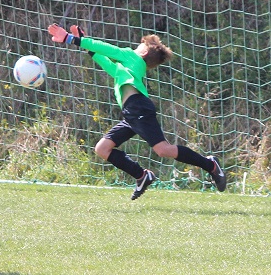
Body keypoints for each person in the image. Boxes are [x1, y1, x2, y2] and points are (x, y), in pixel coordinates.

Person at [47, 22, 226, 200]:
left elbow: (107, 48)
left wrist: (71, 39)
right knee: (102, 148)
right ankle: (142, 176)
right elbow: (106, 61)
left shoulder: (132, 57)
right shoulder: (127, 67)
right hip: (131, 112)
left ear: (144, 52)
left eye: (138, 45)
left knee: (163, 150)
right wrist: (84, 42)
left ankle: (210, 165)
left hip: (138, 108)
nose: (133, 47)